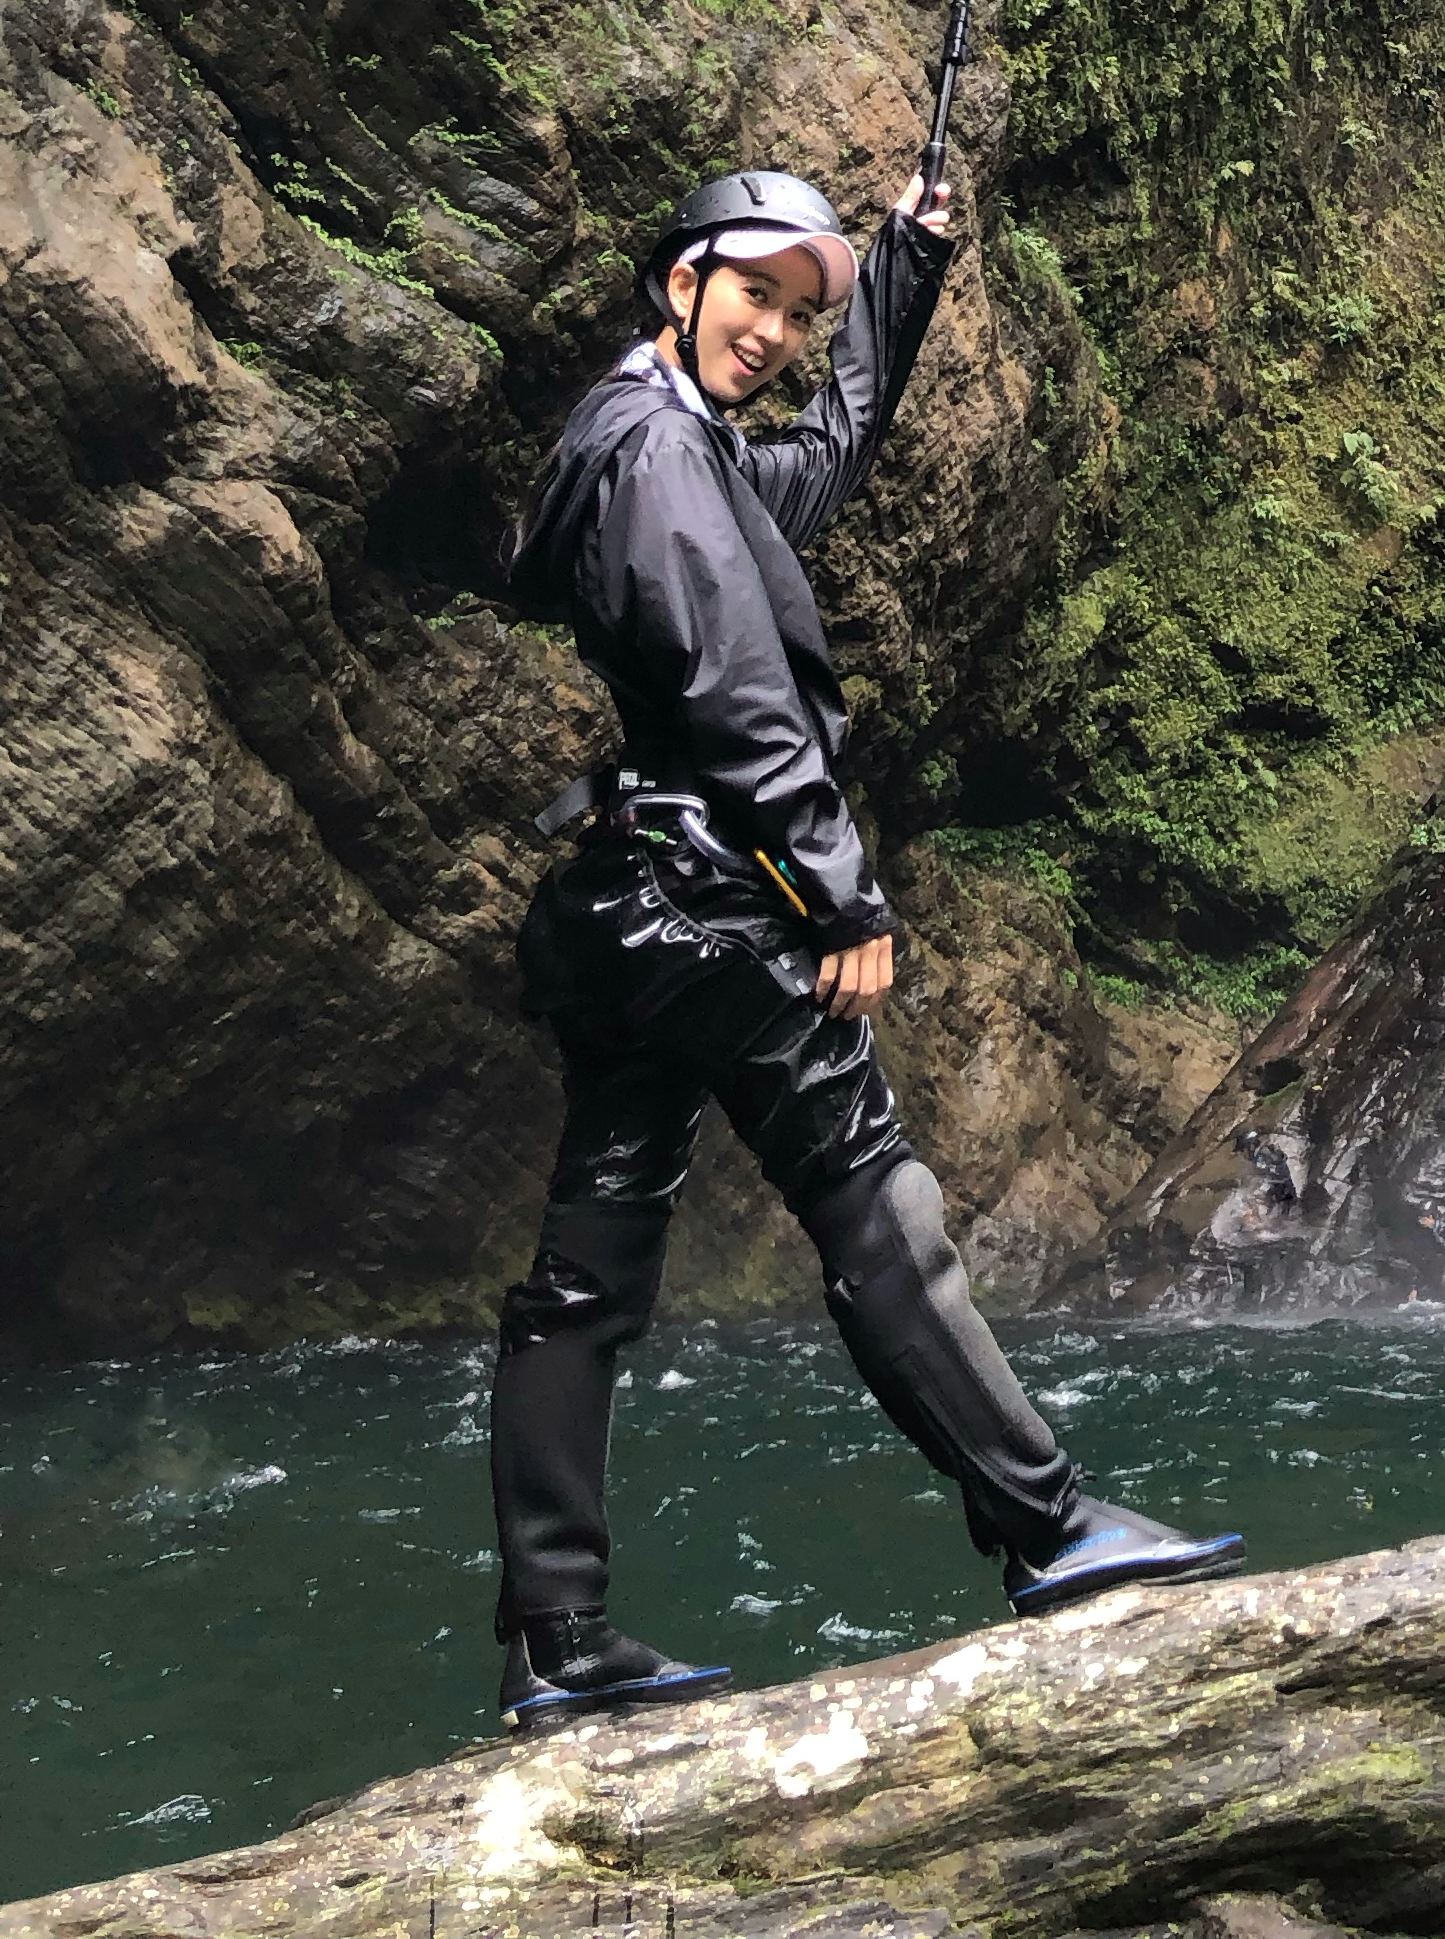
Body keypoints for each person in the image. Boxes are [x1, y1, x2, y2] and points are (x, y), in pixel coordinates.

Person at [487, 160, 1239, 1735]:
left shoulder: (657, 437)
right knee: (878, 1205)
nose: (771, 329)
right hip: (717, 908)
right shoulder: (657, 456)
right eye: (752, 289)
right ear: (679, 279)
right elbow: (732, 685)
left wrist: (904, 269)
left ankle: (558, 1639)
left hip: (635, 906)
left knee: (587, 1269)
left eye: (797, 309)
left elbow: (815, 472)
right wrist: (838, 892)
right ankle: (1049, 1529)